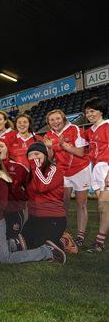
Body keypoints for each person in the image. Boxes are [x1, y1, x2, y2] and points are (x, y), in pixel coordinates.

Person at [44, 109, 90, 247]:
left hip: (80, 169)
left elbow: (81, 152)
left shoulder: (74, 129)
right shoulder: (48, 135)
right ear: (48, 123)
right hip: (63, 172)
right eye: (52, 120)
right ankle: (63, 232)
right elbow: (50, 158)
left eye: (57, 118)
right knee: (63, 204)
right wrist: (49, 148)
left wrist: (64, 146)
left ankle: (80, 236)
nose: (55, 122)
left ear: (63, 119)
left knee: (81, 204)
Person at [82, 97, 109, 252]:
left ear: (101, 111)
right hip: (97, 171)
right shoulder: (90, 132)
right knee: (103, 208)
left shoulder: (107, 126)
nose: (89, 114)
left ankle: (99, 242)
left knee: (103, 206)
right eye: (86, 112)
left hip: (107, 168)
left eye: (92, 111)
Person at [0, 139, 29, 239]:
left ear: (7, 149)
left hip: (13, 210)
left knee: (13, 238)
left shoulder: (18, 167)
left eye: (1, 146)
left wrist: (21, 200)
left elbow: (29, 188)